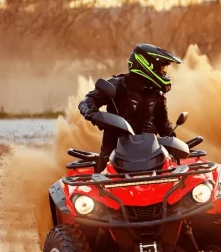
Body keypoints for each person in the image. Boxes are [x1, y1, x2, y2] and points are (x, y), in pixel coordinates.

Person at [78, 43, 183, 171]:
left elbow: (164, 127)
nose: (164, 74)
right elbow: (86, 101)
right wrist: (95, 116)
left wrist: (173, 140)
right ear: (147, 65)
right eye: (162, 69)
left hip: (151, 158)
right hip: (113, 156)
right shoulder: (118, 85)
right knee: (101, 172)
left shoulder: (157, 94)